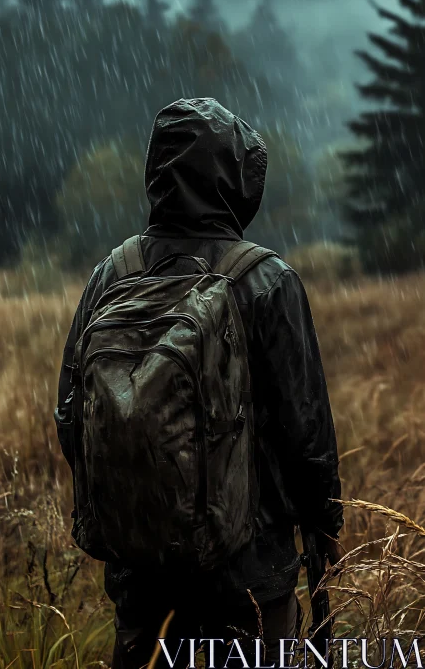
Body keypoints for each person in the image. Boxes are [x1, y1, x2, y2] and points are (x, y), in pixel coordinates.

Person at [55, 97, 343, 668]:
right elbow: (305, 434)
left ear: (156, 174)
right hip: (250, 580)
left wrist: (145, 500)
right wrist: (325, 530)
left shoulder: (112, 274)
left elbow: (71, 417)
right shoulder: (266, 280)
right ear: (235, 180)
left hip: (143, 579)